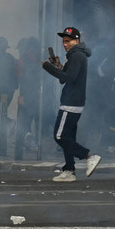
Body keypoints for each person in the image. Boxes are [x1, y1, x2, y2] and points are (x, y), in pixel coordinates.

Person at [42, 26, 101, 182]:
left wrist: (48, 67)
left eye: (68, 41)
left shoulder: (76, 55)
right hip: (74, 102)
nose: (65, 44)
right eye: (63, 41)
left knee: (60, 136)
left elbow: (68, 78)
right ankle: (69, 170)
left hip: (71, 103)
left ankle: (89, 156)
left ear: (77, 40)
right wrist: (58, 66)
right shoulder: (76, 55)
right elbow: (67, 76)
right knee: (68, 138)